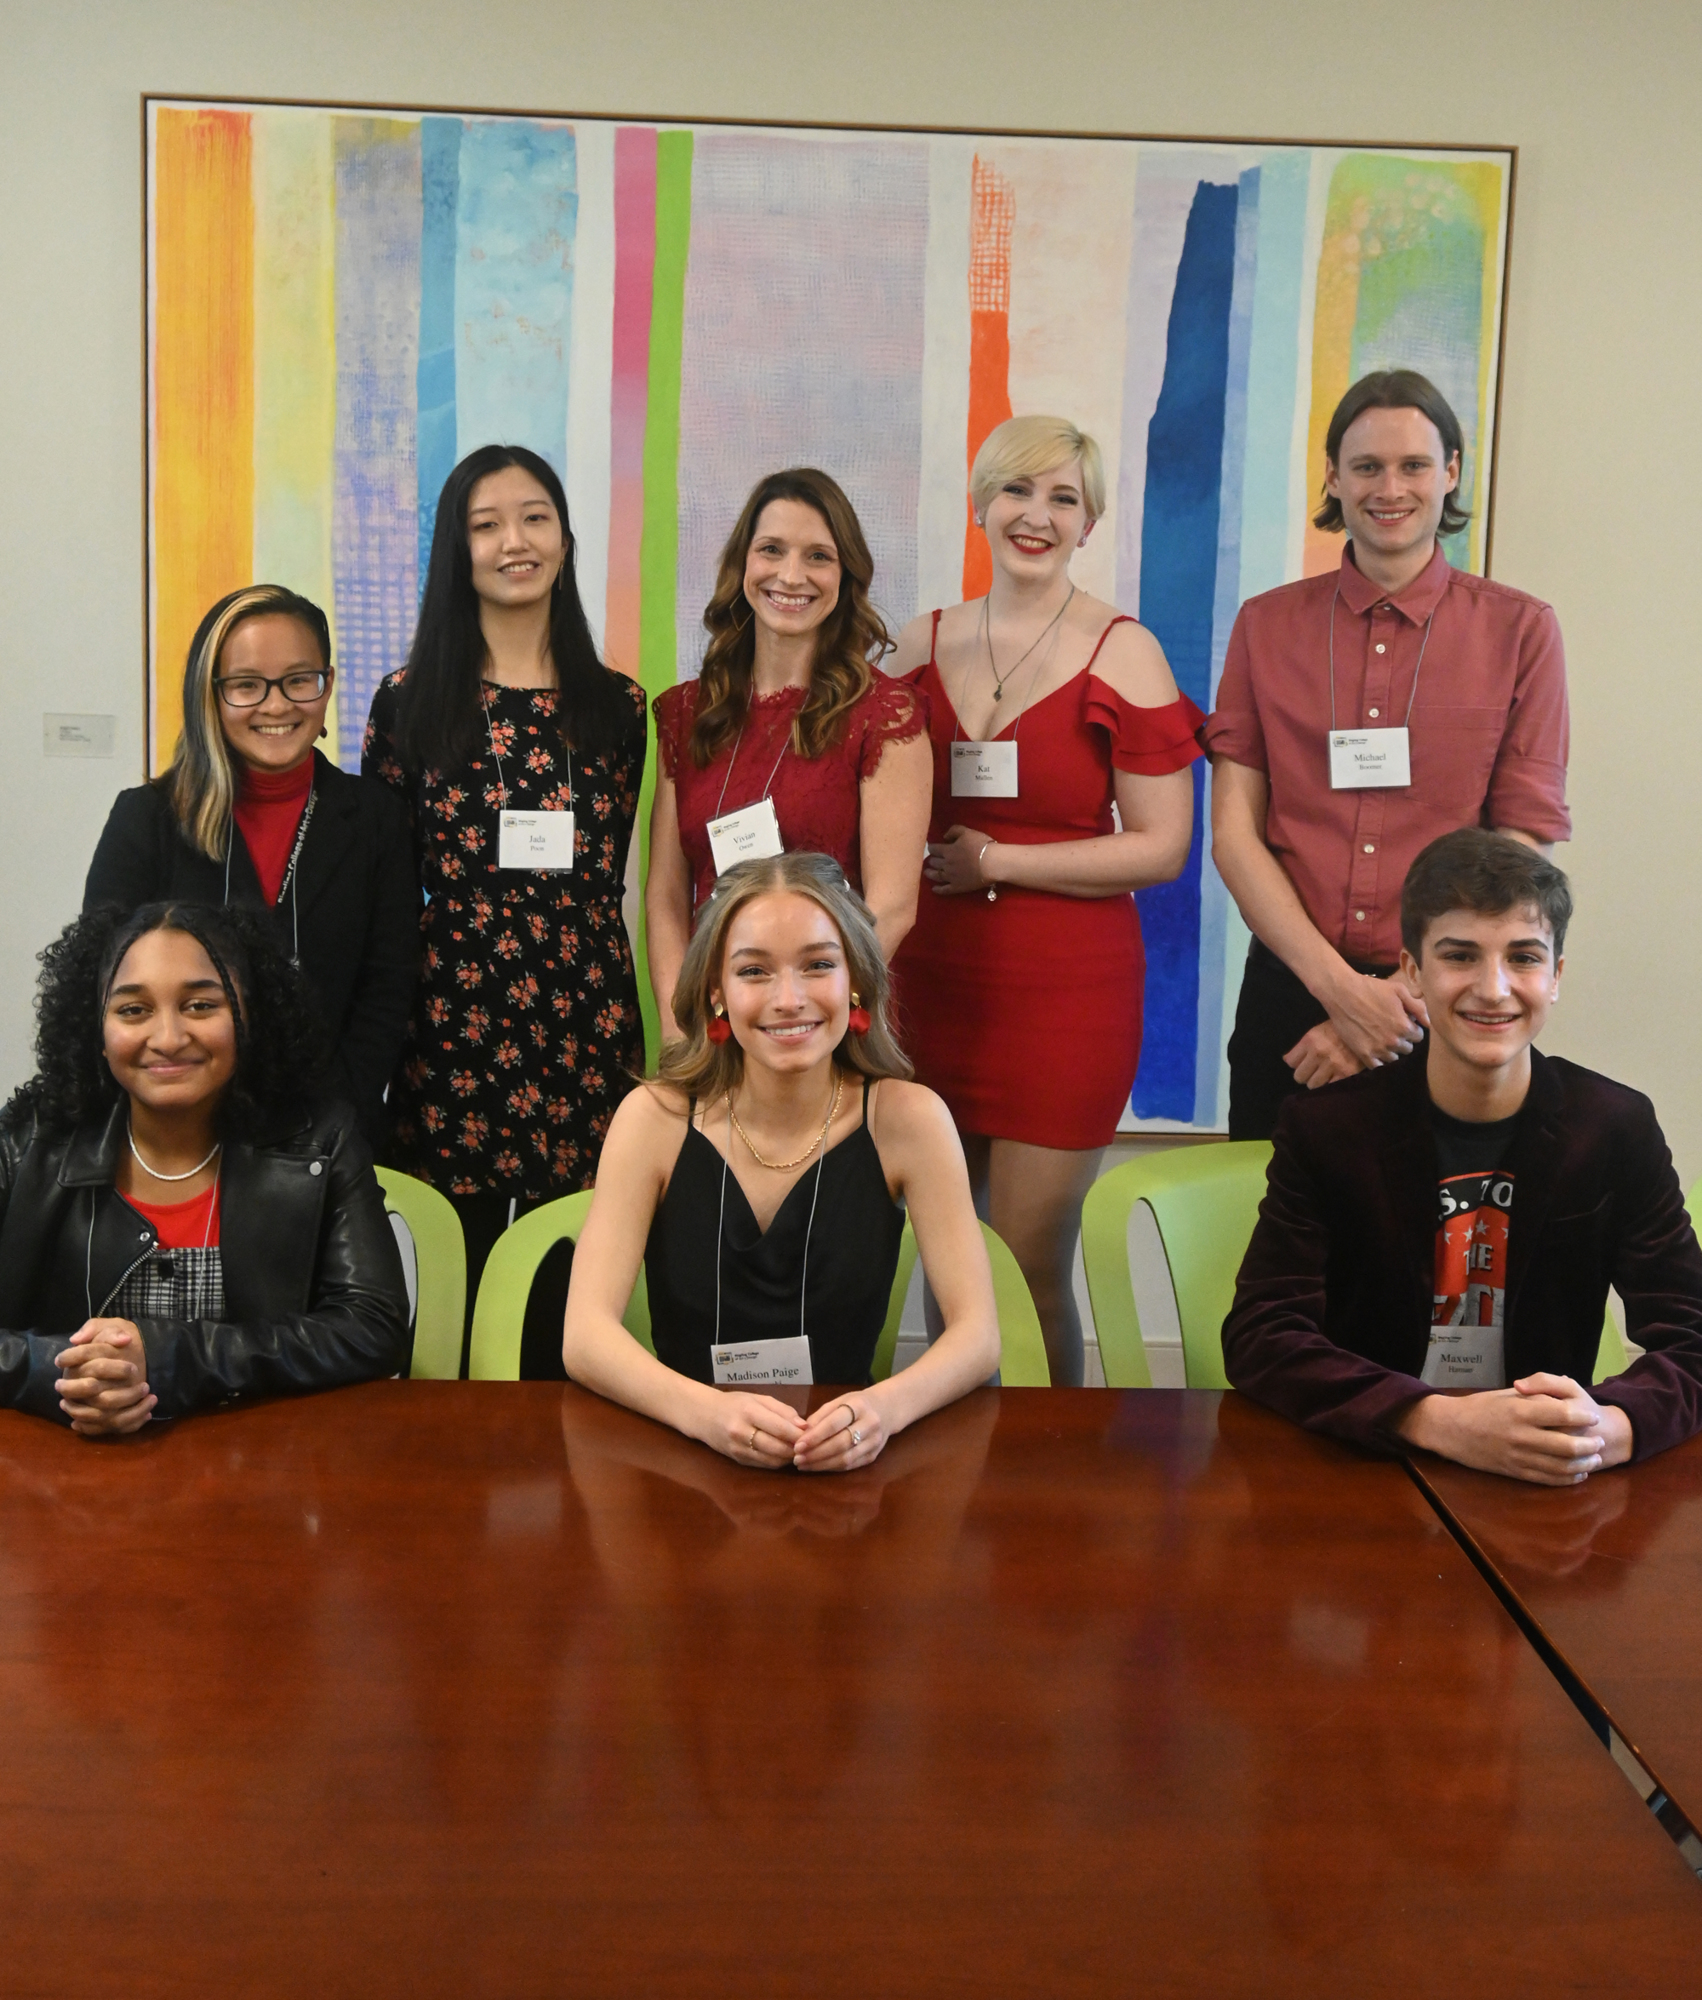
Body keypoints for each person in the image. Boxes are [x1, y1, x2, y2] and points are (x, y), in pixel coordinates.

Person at [1223, 830, 1702, 1482]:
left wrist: (1607, 1428)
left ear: (1556, 977)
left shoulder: (1614, 1127)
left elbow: (1692, 1334)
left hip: (1542, 1473)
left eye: (1525, 958)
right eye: (1460, 956)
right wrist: (1432, 1420)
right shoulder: (1327, 1128)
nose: (1494, 987)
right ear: (1413, 972)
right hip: (1374, 1463)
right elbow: (1261, 1334)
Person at [888, 414, 1202, 1385]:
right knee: (952, 1265)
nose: (1037, 514)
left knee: (1024, 1266)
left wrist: (1001, 864)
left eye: (1063, 497)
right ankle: (952, 1470)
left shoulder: (1124, 650)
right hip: (927, 989)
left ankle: (1042, 1480)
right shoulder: (914, 640)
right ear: (981, 503)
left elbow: (1163, 846)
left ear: (1090, 520)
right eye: (1018, 490)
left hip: (1064, 998)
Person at [1206, 368, 1571, 1140]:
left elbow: (1520, 843)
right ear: (1334, 478)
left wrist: (1389, 1004)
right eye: (1366, 466)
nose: (1389, 487)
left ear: (1451, 473)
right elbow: (1235, 833)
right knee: (1278, 1245)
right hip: (1291, 991)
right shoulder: (1265, 627)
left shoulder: (1521, 631)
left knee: (1428, 1250)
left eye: (1412, 465)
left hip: (1451, 999)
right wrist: (1339, 990)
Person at [564, 853, 1000, 1472]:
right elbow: (584, 1335)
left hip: (843, 1455)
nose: (789, 999)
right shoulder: (652, 1119)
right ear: (716, 991)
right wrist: (704, 1414)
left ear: (855, 980)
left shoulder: (911, 1120)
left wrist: (881, 1410)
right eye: (755, 971)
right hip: (682, 1455)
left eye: (818, 965)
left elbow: (977, 1337)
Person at [363, 444, 648, 1343]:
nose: (513, 542)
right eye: (485, 525)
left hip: (584, 1011)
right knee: (465, 1271)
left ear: (564, 538)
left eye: (533, 517)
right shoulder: (408, 702)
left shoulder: (621, 705)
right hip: (455, 1013)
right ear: (457, 550)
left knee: (575, 1274)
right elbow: (383, 883)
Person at [0, 901, 408, 1435]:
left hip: (259, 1470)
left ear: (247, 1017)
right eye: (133, 1010)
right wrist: (67, 1377)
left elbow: (373, 1328)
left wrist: (174, 1360)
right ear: (95, 1031)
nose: (168, 1038)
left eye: (198, 1005)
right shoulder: (28, 1140)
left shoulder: (320, 1141)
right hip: (60, 1471)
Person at [86, 585, 418, 1146]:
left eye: (298, 680)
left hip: (330, 1138)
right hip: (172, 1135)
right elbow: (103, 985)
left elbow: (387, 992)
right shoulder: (146, 820)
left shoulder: (375, 819)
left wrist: (330, 1122)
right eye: (246, 686)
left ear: (327, 685)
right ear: (210, 696)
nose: (276, 705)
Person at [645, 467, 931, 1038]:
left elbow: (892, 907)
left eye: (819, 556)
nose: (791, 575)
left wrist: (807, 1012)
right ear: (743, 564)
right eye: (771, 549)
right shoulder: (687, 712)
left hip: (824, 1027)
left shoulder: (885, 714)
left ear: (846, 574)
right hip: (713, 1026)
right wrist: (684, 1030)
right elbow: (666, 894)